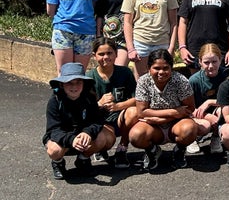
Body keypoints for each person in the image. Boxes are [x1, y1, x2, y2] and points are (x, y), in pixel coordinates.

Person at [128, 49, 200, 172]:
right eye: (156, 68)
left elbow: (189, 108)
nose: (161, 72)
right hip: (153, 126)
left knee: (190, 129)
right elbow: (141, 112)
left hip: (176, 124)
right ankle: (152, 151)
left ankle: (179, 150)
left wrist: (161, 119)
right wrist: (172, 112)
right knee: (136, 136)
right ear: (149, 68)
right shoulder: (143, 81)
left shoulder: (181, 80)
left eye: (166, 68)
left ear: (171, 68)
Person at [44, 63, 115, 180]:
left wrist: (88, 132)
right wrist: (71, 140)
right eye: (69, 83)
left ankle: (83, 160)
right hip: (63, 137)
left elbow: (97, 121)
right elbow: (53, 130)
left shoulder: (89, 97)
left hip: (82, 135)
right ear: (62, 84)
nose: (74, 87)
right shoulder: (55, 101)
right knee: (54, 150)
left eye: (78, 82)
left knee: (101, 138)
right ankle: (58, 162)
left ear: (84, 83)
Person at [121, 0, 179, 79]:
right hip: (141, 41)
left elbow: (174, 23)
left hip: (162, 42)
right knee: (142, 79)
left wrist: (171, 48)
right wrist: (130, 48)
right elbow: (127, 22)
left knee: (161, 78)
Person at [87, 38, 138, 169]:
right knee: (107, 141)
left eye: (109, 53)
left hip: (121, 118)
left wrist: (117, 106)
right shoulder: (89, 77)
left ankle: (122, 148)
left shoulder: (125, 72)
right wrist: (99, 103)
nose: (106, 57)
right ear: (94, 55)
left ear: (116, 54)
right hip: (100, 122)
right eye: (101, 54)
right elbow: (84, 108)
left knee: (134, 112)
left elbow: (137, 99)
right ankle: (101, 147)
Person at [185, 43, 226, 156]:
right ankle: (192, 137)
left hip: (218, 110)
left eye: (214, 61)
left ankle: (216, 137)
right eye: (206, 62)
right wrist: (206, 116)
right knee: (205, 126)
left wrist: (209, 102)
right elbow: (188, 107)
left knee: (223, 111)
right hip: (197, 113)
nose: (211, 66)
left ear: (220, 60)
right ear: (200, 62)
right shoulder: (194, 80)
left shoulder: (227, 76)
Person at [94, 0, 133, 66]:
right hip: (108, 35)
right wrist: (98, 35)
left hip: (126, 36)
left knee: (119, 67)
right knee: (107, 66)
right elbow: (100, 14)